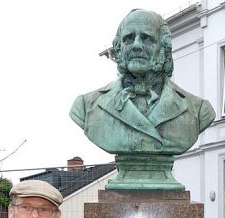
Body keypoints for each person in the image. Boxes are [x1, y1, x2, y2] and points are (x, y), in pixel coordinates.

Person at [70, 8, 215, 156]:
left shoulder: (198, 110)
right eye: (129, 38)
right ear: (119, 49)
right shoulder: (86, 106)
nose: (137, 45)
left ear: (164, 49)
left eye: (146, 38)